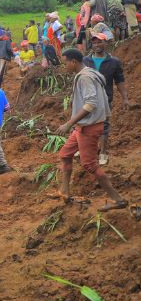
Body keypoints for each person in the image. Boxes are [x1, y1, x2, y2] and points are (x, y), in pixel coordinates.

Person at [54, 49, 127, 211]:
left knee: (90, 165)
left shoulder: (85, 78)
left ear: (73, 62)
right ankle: (64, 191)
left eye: (65, 62)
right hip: (83, 126)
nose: (64, 66)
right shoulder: (88, 73)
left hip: (89, 127)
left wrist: (68, 123)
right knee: (65, 154)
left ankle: (118, 199)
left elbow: (90, 104)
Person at [82, 32, 129, 166]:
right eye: (94, 42)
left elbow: (119, 81)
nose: (97, 45)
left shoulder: (114, 62)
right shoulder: (86, 61)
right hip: (87, 98)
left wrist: (125, 98)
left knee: (103, 126)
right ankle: (86, 150)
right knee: (85, 123)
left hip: (105, 99)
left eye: (100, 42)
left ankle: (103, 153)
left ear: (106, 43)